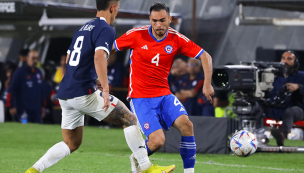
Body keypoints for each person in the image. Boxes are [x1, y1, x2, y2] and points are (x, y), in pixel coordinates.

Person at [25, 1, 174, 173]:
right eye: (117, 7)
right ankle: (146, 168)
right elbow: (99, 58)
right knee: (129, 119)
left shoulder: (82, 29)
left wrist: (90, 77)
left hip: (66, 93)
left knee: (71, 143)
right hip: (83, 93)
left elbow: (69, 59)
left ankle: (35, 169)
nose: (117, 11)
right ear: (112, 7)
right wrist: (105, 88)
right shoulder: (106, 29)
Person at [113, 3, 214, 173]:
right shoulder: (136, 35)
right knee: (158, 141)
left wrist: (207, 83)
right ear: (150, 20)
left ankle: (189, 172)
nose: (158, 25)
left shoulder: (176, 39)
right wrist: (96, 71)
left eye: (162, 20)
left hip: (164, 95)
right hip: (140, 97)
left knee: (187, 125)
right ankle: (138, 157)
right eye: (154, 21)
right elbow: (108, 49)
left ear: (170, 20)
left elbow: (205, 55)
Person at [270, 51, 304, 146]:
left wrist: (298, 87)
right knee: (257, 106)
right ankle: (254, 134)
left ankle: (282, 134)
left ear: (296, 62)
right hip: (276, 107)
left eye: (289, 59)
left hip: (297, 109)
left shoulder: (302, 76)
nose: (285, 61)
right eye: (283, 58)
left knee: (290, 112)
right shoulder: (273, 77)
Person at [7, 50, 45, 123]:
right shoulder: (20, 72)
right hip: (23, 109)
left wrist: (43, 106)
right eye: (33, 58)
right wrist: (12, 106)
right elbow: (12, 89)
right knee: (24, 130)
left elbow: (41, 91)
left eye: (37, 58)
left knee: (38, 130)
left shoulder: (39, 73)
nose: (35, 61)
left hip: (36, 110)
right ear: (28, 58)